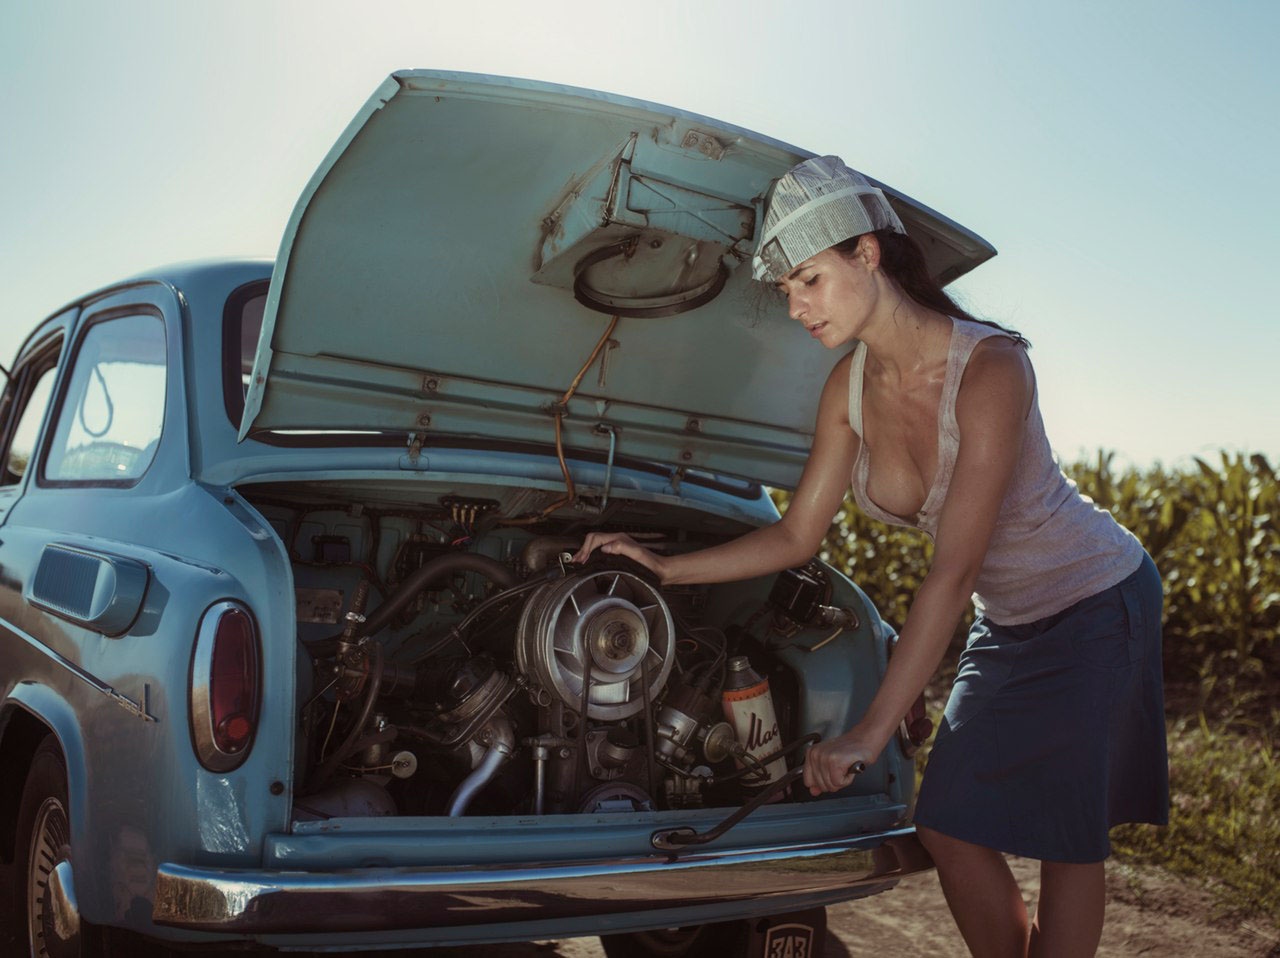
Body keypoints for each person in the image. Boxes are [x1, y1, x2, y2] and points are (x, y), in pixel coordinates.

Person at [573, 156, 1169, 958]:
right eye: (786, 291)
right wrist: (661, 568)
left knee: (1068, 838)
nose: (796, 307)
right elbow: (794, 537)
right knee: (947, 823)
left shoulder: (991, 368)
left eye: (809, 280)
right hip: (1011, 619)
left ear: (867, 254)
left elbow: (952, 572)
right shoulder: (846, 390)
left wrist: (868, 731)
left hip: (1097, 598)